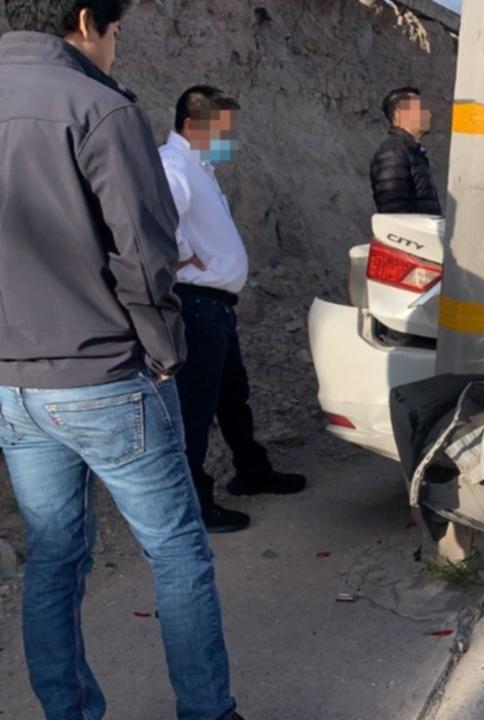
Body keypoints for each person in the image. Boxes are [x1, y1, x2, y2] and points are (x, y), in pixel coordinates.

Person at [0, 3, 240, 718]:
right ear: (85, 20)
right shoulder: (100, 109)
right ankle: (208, 712)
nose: (115, 44)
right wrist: (165, 350)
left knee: (53, 558)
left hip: (13, 384)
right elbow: (143, 251)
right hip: (105, 374)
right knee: (177, 554)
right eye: (116, 29)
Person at [160, 86, 306, 534]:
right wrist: (182, 254)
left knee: (231, 397)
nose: (230, 139)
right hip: (196, 305)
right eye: (222, 131)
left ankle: (251, 470)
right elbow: (162, 218)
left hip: (215, 308)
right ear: (191, 125)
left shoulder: (200, 167)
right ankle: (195, 504)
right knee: (196, 408)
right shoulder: (174, 164)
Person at [370, 86, 442, 214]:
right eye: (420, 108)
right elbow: (393, 211)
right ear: (399, 113)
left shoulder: (412, 152)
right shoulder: (392, 154)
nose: (429, 114)